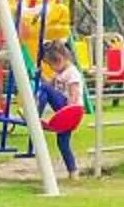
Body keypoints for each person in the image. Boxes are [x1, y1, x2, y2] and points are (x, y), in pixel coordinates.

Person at [34, 40, 86, 177]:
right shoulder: (59, 74)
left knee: (45, 88)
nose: (52, 68)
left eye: (51, 65)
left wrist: (67, 111)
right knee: (62, 143)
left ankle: (35, 114)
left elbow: (74, 95)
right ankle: (73, 171)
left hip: (72, 110)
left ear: (60, 59)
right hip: (65, 112)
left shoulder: (72, 73)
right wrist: (39, 76)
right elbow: (48, 86)